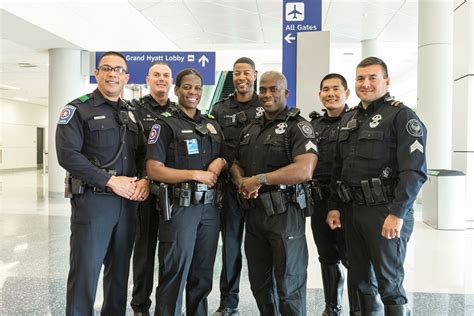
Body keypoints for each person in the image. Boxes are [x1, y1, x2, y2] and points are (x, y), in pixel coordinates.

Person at [327, 57, 427, 316]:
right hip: (353, 210)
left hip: (385, 211)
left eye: (373, 78)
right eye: (360, 78)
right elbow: (339, 166)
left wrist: (397, 213)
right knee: (360, 277)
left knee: (389, 281)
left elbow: (414, 170)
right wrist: (335, 207)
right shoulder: (349, 118)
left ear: (386, 81)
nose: (366, 84)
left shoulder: (401, 116)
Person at [56, 51, 149, 315]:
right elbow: (67, 155)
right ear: (97, 73)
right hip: (93, 202)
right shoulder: (78, 109)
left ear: (126, 77)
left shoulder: (132, 114)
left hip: (128, 204)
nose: (112, 74)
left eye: (118, 70)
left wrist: (144, 179)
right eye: (106, 68)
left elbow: (143, 154)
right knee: (86, 272)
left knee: (119, 274)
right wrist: (109, 181)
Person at [230, 71, 319, 315]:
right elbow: (236, 162)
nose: (267, 94)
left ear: (286, 93)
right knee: (260, 283)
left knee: (289, 285)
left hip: (285, 215)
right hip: (255, 215)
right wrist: (241, 182)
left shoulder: (298, 126)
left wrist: (259, 179)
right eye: (264, 89)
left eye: (274, 89)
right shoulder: (251, 128)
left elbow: (305, 169)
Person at [146, 68, 227, 316]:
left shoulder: (211, 124)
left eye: (197, 88)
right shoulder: (165, 124)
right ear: (177, 89)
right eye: (187, 87)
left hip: (210, 209)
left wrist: (220, 162)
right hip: (181, 207)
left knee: (202, 274)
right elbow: (154, 169)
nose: (193, 92)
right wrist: (194, 174)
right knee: (175, 271)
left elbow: (226, 155)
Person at [210, 57, 261, 316]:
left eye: (246, 73)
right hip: (230, 189)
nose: (242, 77)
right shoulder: (219, 109)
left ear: (255, 75)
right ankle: (229, 302)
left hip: (260, 191)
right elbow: (217, 148)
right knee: (230, 247)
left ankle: (268, 300)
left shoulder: (267, 105)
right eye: (237, 73)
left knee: (261, 248)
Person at [309, 73, 360, 316]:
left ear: (346, 93)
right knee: (327, 255)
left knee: (353, 258)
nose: (331, 94)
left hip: (348, 202)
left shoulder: (356, 120)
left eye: (336, 89)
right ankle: (332, 307)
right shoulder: (313, 126)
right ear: (320, 95)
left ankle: (359, 309)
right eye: (325, 89)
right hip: (320, 201)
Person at [131, 61, 176, 316]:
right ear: (147, 79)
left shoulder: (180, 111)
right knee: (145, 252)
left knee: (171, 254)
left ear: (171, 82)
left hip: (173, 193)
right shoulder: (134, 110)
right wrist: (143, 178)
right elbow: (131, 150)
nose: (161, 79)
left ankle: (168, 306)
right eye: (156, 75)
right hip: (145, 191)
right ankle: (140, 306)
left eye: (166, 75)